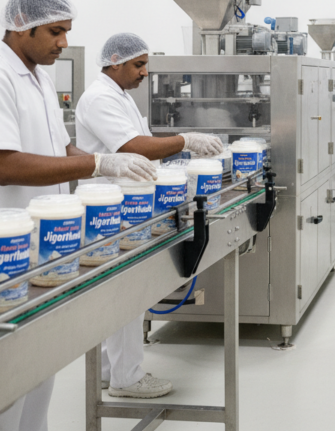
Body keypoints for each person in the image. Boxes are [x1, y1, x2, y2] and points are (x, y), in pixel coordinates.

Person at [0, 0, 155, 431]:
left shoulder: (40, 80)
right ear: (20, 26)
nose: (63, 43)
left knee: (38, 371)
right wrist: (100, 160)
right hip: (0, 254)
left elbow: (59, 148)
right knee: (2, 387)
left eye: (66, 31)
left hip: (44, 247)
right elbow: (4, 165)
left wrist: (105, 171)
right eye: (55, 31)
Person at [75, 32, 224, 398]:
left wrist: (177, 151)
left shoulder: (119, 97)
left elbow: (144, 143)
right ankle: (127, 378)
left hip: (129, 201)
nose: (144, 73)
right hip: (111, 205)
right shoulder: (98, 99)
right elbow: (132, 147)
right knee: (127, 290)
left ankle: (112, 371)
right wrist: (186, 140)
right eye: (138, 65)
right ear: (114, 61)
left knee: (120, 292)